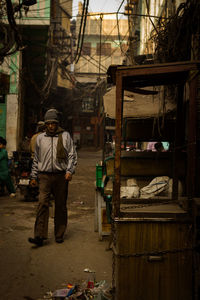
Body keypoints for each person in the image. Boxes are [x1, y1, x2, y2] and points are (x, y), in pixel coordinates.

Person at [28, 109, 77, 246]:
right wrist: (33, 176)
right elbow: (36, 159)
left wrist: (69, 171)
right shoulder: (40, 138)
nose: (51, 126)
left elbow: (72, 155)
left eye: (53, 123)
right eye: (48, 123)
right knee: (42, 203)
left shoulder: (65, 136)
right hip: (44, 176)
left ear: (57, 123)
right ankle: (39, 235)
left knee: (60, 205)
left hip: (61, 176)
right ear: (45, 124)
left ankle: (59, 234)